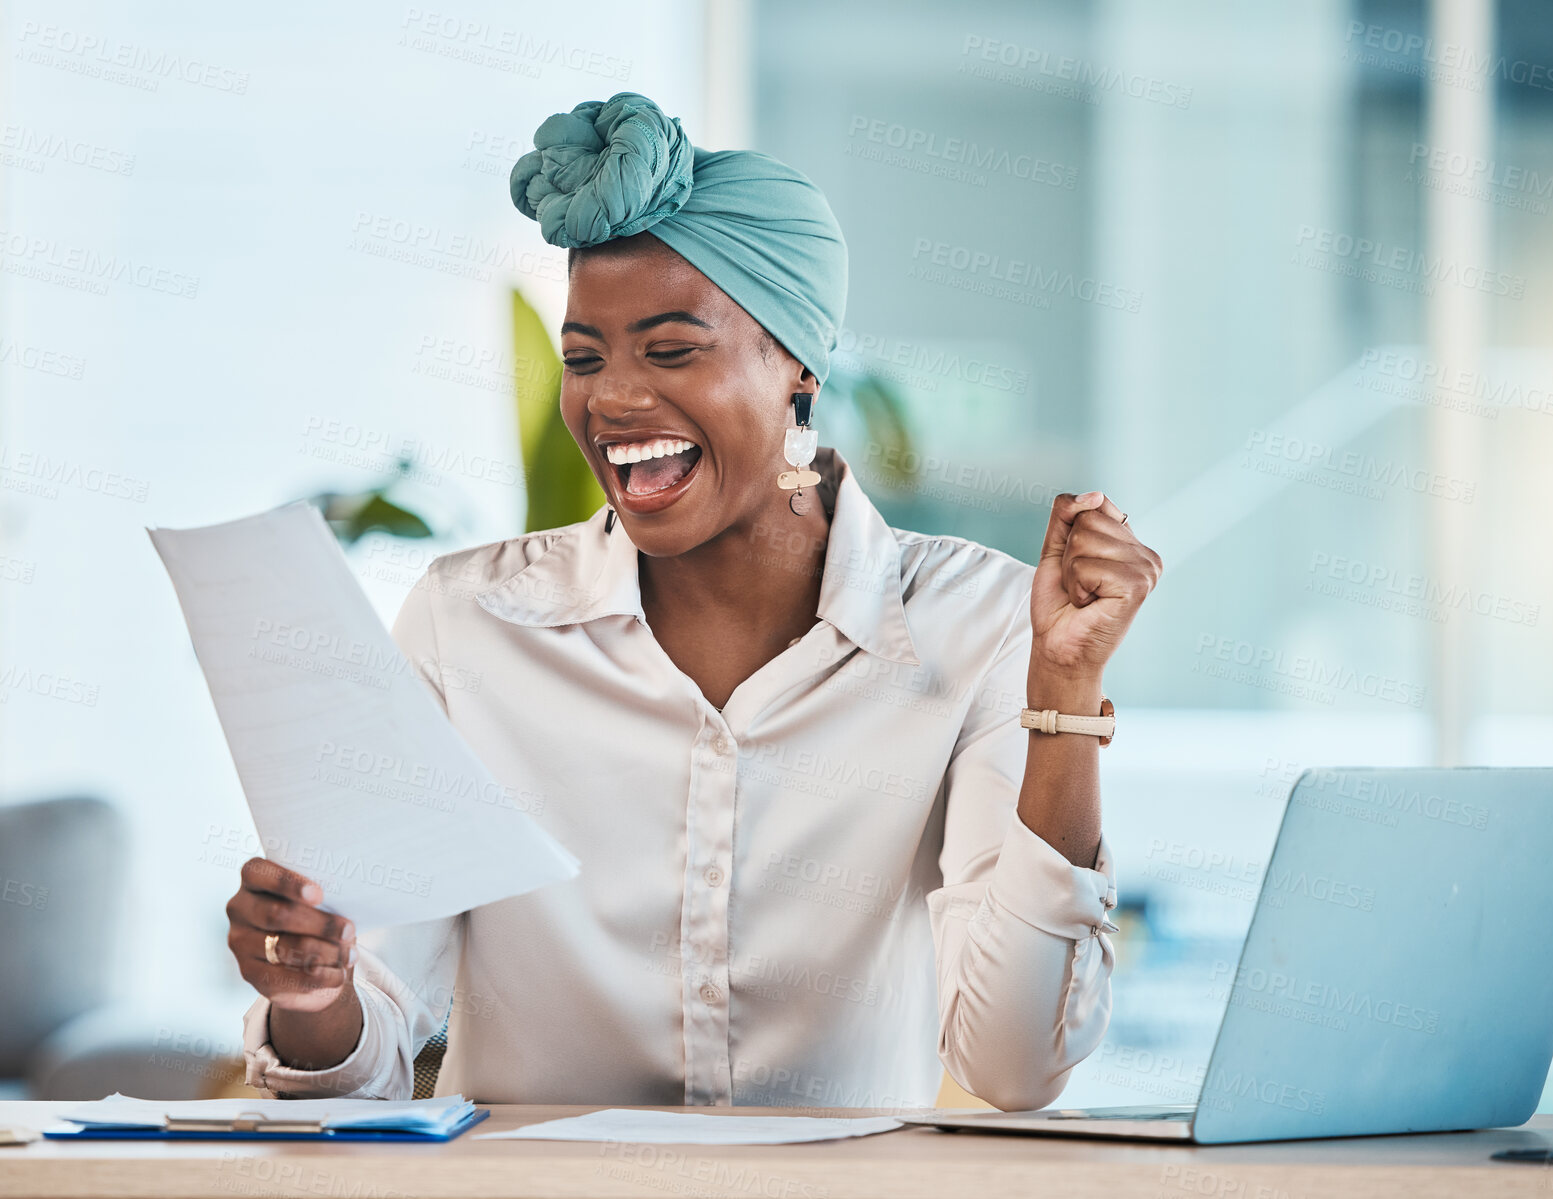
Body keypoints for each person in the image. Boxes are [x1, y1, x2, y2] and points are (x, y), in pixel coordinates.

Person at [225, 91, 1162, 1111]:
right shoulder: (470, 622)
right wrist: (310, 993)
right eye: (584, 357)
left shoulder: (976, 624)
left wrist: (1063, 690)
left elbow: (1015, 1063)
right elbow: (363, 1047)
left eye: (671, 350)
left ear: (797, 369)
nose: (612, 398)